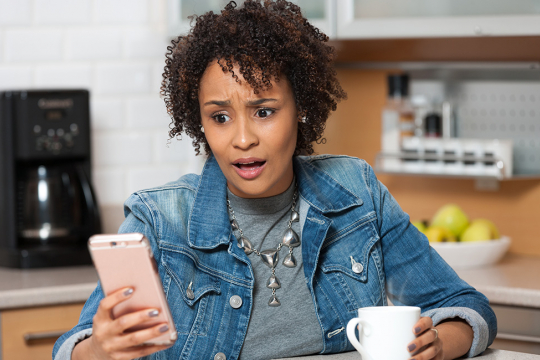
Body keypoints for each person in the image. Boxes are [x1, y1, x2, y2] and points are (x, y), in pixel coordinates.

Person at [53, 1, 497, 359]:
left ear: (300, 107)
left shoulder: (356, 192)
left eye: (264, 111)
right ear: (199, 123)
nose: (242, 139)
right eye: (220, 117)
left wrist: (439, 346)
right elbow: (73, 347)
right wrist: (99, 351)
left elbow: (465, 307)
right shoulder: (160, 219)